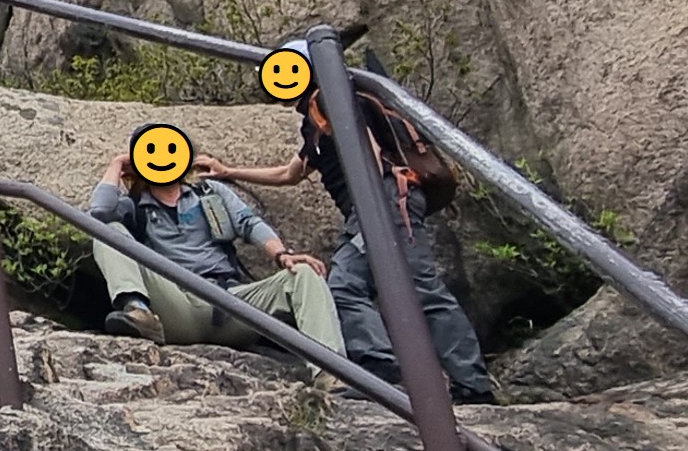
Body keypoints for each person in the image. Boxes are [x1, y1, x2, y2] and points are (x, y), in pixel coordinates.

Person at [225, 79, 497, 402]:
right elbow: (290, 174)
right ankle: (448, 380)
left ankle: (397, 373)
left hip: (383, 201)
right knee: (375, 287)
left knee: (366, 286)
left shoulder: (329, 98)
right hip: (380, 204)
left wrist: (375, 205)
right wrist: (228, 171)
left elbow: (367, 148)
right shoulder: (314, 120)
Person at [85, 142, 334, 352]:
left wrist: (282, 255)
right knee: (108, 232)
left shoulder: (210, 192)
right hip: (178, 305)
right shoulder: (134, 205)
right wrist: (117, 164)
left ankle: (331, 374)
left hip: (230, 302)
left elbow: (249, 223)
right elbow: (99, 213)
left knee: (304, 273)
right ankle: (138, 311)